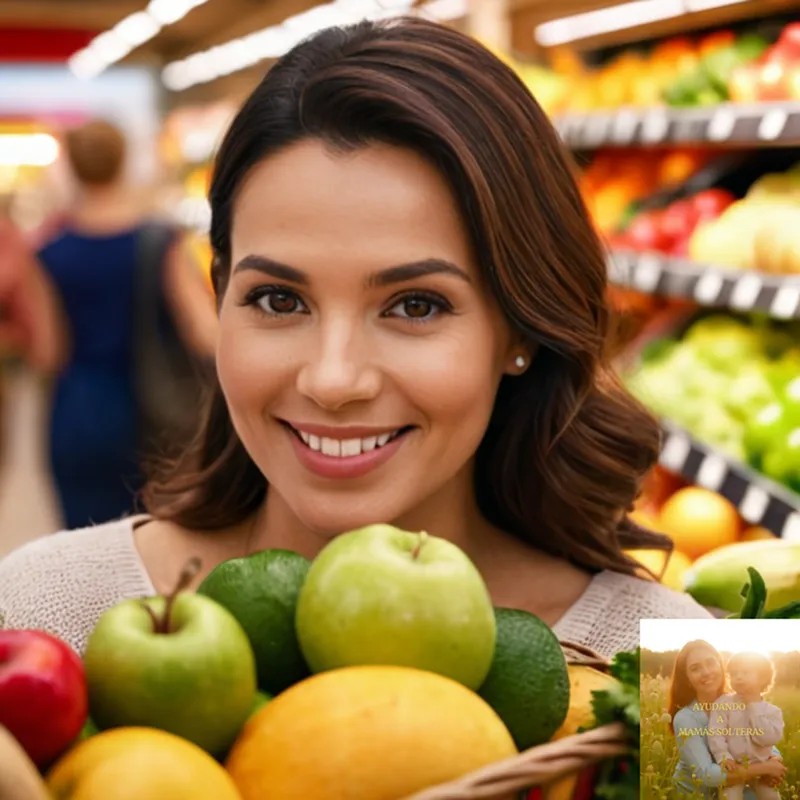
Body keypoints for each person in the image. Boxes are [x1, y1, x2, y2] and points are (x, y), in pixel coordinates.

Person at [0, 17, 713, 656]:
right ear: (219, 301)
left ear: (520, 327)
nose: (333, 379)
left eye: (415, 306)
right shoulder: (41, 612)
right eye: (278, 299)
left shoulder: (694, 665)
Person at [29, 119, 218, 530]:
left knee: (83, 537)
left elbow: (48, 353)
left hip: (77, 408)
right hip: (152, 406)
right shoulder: (159, 241)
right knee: (149, 532)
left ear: (74, 168)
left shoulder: (50, 252)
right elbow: (204, 332)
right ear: (122, 162)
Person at [669, 641, 786, 799]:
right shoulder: (685, 718)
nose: (706, 672)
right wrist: (764, 768)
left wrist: (775, 759)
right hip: (698, 793)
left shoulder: (741, 699)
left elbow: (759, 738)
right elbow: (706, 775)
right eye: (695, 668)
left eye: (711, 663)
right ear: (687, 678)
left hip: (738, 783)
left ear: (721, 666)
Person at [708, 652, 785, 800]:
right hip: (734, 767)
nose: (738, 677)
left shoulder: (773, 712)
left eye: (745, 672)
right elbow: (716, 733)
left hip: (761, 768)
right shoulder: (723, 704)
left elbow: (767, 739)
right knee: (729, 797)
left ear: (762, 678)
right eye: (734, 673)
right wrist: (724, 757)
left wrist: (753, 706)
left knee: (772, 797)